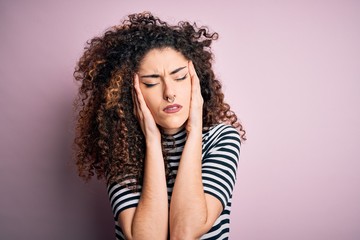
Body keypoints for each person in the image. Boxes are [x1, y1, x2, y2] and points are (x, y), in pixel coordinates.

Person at [73, 12, 246, 240]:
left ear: (197, 80)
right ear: (129, 92)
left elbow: (186, 232)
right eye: (151, 83)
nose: (169, 93)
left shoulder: (222, 138)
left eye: (180, 77)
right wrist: (152, 142)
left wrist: (194, 133)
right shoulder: (122, 145)